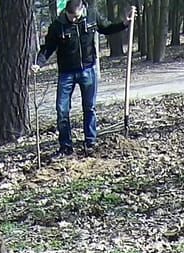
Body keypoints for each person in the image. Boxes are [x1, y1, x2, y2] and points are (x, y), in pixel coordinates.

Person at [39, 0, 134, 158]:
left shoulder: (92, 15)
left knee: (89, 108)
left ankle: (91, 142)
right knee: (62, 110)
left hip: (88, 70)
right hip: (66, 73)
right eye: (70, 17)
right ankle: (65, 147)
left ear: (82, 9)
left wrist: (124, 24)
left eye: (76, 17)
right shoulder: (57, 25)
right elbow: (48, 48)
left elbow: (106, 28)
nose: (73, 20)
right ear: (66, 13)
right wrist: (38, 63)